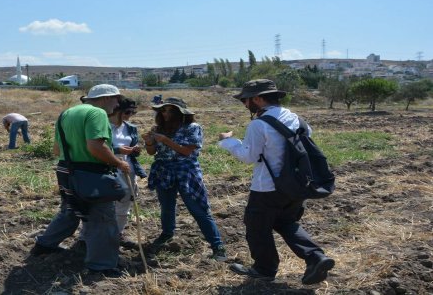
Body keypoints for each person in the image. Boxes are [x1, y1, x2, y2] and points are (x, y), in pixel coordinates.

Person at [218, 79, 334, 284]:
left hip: (266, 187)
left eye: (245, 100)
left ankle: (264, 269)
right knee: (285, 221)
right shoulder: (296, 119)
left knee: (256, 227)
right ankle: (316, 257)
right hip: (296, 185)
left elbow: (249, 157)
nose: (244, 104)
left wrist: (228, 141)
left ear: (258, 99)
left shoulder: (259, 124)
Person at [30, 84, 131, 278]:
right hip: (91, 174)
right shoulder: (98, 114)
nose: (118, 103)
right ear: (105, 98)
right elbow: (95, 146)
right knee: (102, 219)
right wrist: (119, 163)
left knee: (70, 211)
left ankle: (44, 245)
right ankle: (101, 266)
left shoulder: (66, 113)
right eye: (116, 99)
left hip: (66, 171)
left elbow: (57, 150)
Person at [142, 97, 227, 261]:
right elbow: (152, 153)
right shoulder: (158, 128)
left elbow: (187, 151)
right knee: (166, 207)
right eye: (163, 110)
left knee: (197, 208)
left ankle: (217, 246)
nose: (165, 114)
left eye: (170, 111)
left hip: (186, 171)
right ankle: (167, 234)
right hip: (164, 170)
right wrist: (149, 142)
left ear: (180, 113)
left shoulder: (192, 127)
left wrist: (165, 140)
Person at [108, 98, 147, 246]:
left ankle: (118, 233)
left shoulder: (130, 128)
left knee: (126, 200)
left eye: (133, 112)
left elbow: (133, 149)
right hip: (109, 168)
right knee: (106, 202)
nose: (130, 115)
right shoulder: (104, 126)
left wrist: (135, 150)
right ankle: (90, 237)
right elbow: (97, 148)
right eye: (127, 111)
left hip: (128, 168)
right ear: (117, 110)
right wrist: (118, 150)